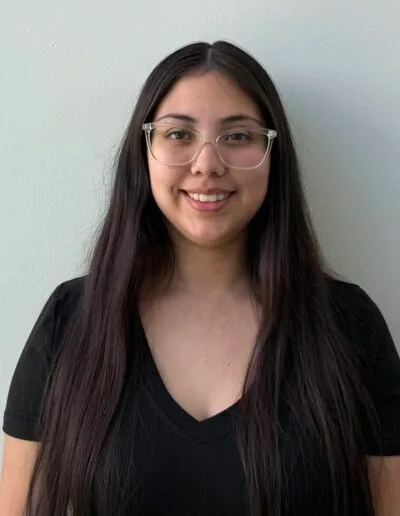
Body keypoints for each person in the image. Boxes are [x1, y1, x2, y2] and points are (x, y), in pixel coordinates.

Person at [0, 41, 399, 516]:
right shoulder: (71, 322)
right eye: (178, 134)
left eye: (237, 136)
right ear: (144, 152)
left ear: (272, 155)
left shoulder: (348, 325)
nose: (207, 164)